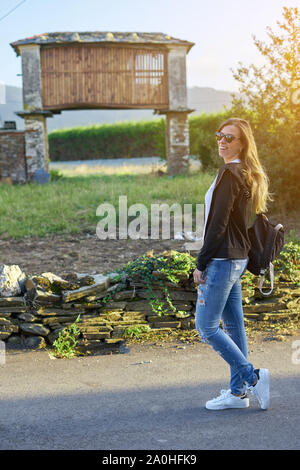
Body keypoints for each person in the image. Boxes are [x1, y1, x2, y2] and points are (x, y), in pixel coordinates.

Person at [193, 117, 272, 410]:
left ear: (242, 143)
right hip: (236, 259)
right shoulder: (245, 173)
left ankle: (252, 377)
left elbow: (218, 224)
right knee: (235, 327)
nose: (222, 142)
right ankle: (238, 393)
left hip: (222, 259)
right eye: (219, 136)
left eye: (230, 138)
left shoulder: (230, 173)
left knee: (206, 327)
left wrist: (201, 262)